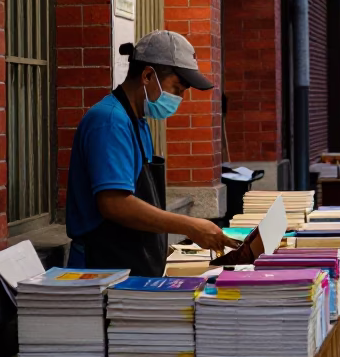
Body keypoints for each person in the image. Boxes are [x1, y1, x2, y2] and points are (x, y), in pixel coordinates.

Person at [65, 30, 239, 276]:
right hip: (102, 268)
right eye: (177, 89)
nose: (180, 98)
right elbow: (114, 203)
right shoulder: (110, 121)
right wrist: (191, 226)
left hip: (132, 262)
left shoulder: (138, 122)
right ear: (147, 75)